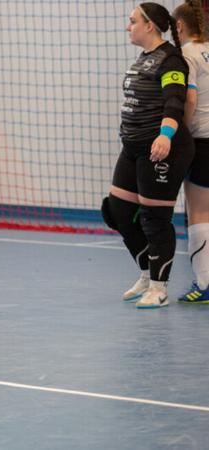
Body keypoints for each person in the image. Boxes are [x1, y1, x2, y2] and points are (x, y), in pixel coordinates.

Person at [103, 3, 194, 309]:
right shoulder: (144, 59)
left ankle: (159, 286)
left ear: (150, 26)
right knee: (116, 210)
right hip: (133, 148)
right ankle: (146, 274)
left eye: (132, 22)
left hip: (161, 148)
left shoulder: (171, 61)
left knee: (155, 219)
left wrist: (165, 136)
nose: (128, 27)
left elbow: (174, 103)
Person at [173, 1, 209, 304]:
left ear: (180, 26)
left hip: (202, 139)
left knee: (198, 212)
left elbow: (190, 101)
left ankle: (204, 284)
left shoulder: (186, 54)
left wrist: (178, 134)